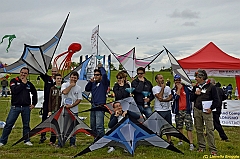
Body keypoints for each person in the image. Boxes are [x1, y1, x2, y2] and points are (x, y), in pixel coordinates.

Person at [0, 67, 37, 146]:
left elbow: (34, 93)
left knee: (26, 125)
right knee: (9, 124)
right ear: (20, 72)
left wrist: (34, 103)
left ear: (27, 74)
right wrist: (23, 84)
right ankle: (2, 141)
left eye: (25, 73)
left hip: (26, 107)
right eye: (22, 72)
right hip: (15, 107)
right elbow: (14, 91)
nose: (23, 74)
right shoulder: (14, 81)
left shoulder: (29, 84)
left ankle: (26, 140)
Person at [192, 69, 218, 156]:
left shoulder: (211, 86)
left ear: (202, 77)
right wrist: (195, 94)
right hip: (197, 109)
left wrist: (211, 108)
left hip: (207, 111)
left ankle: (213, 149)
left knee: (209, 130)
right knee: (199, 129)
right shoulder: (196, 86)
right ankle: (201, 147)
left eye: (197, 77)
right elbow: (191, 98)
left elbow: (216, 100)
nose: (195, 79)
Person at [85, 63, 110, 139]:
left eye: (97, 75)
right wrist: (90, 82)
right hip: (93, 105)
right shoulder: (93, 83)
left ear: (101, 76)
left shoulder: (104, 83)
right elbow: (87, 89)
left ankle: (101, 140)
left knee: (99, 125)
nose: (95, 76)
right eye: (95, 75)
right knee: (93, 124)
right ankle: (96, 139)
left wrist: (101, 68)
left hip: (100, 106)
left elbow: (105, 75)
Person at [171, 74, 194, 150]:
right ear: (174, 81)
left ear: (181, 80)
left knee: (189, 127)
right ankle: (181, 140)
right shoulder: (174, 89)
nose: (177, 82)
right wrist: (179, 89)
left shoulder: (187, 88)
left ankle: (191, 143)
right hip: (178, 111)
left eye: (179, 80)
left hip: (186, 110)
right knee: (179, 127)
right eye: (176, 80)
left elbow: (193, 94)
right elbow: (176, 98)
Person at [60, 71, 82, 147]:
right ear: (69, 78)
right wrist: (71, 86)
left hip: (74, 110)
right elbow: (65, 92)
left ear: (77, 79)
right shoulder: (64, 84)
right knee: (63, 127)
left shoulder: (79, 88)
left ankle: (72, 143)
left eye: (75, 78)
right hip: (64, 109)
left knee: (73, 128)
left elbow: (79, 99)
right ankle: (61, 143)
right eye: (72, 77)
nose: (73, 79)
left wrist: (72, 106)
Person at [152, 74, 173, 145]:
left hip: (167, 109)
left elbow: (170, 97)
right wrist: (162, 88)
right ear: (157, 80)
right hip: (159, 110)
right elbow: (159, 97)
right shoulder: (155, 88)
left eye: (162, 78)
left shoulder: (168, 88)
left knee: (168, 126)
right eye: (160, 78)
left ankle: (169, 140)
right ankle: (159, 140)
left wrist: (164, 100)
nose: (162, 79)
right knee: (159, 126)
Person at [39, 67, 58, 143]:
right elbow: (41, 72)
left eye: (55, 71)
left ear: (57, 72)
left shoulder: (60, 80)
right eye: (52, 71)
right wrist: (45, 66)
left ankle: (53, 139)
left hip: (55, 104)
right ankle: (43, 136)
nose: (53, 73)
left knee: (54, 120)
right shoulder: (47, 78)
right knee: (44, 120)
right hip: (46, 103)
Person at [48, 73, 62, 146]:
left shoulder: (63, 88)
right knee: (53, 125)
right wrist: (49, 110)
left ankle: (60, 139)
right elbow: (50, 100)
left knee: (60, 125)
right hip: (54, 109)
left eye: (60, 78)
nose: (59, 80)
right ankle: (52, 140)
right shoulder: (52, 88)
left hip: (61, 110)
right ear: (55, 79)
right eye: (58, 78)